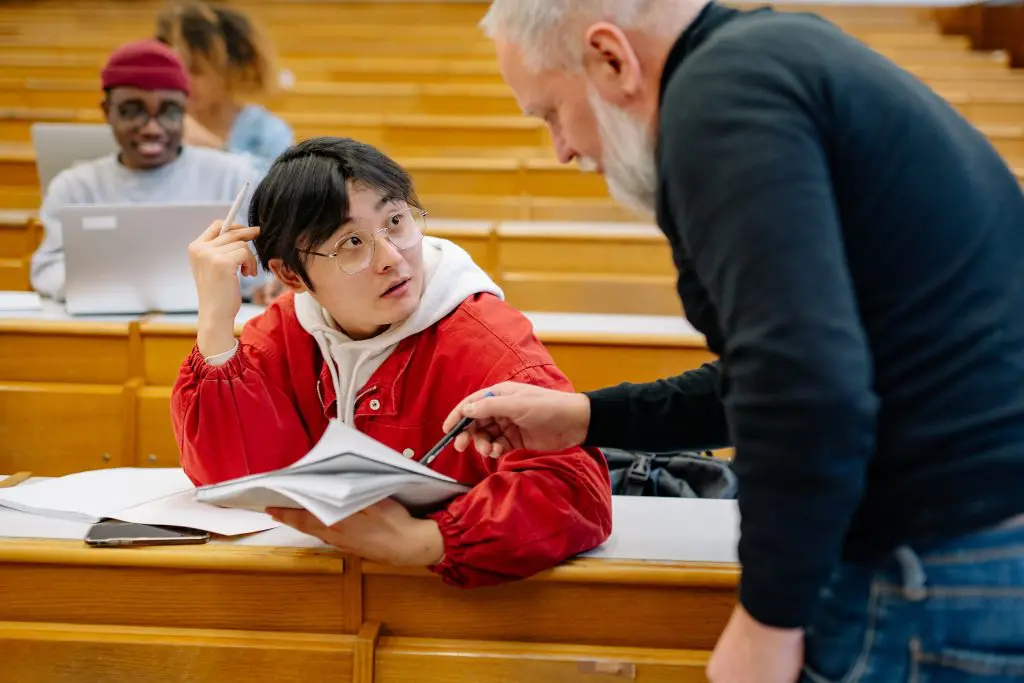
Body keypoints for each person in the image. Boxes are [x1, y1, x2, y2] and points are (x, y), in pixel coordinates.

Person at [444, 1, 1024, 680]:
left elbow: (801, 384)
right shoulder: (767, 59)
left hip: (937, 556)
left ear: (611, 58)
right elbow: (786, 367)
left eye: (550, 112)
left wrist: (767, 617)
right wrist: (588, 418)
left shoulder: (718, 105)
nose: (563, 148)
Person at [171, 136, 612, 586]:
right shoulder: (287, 330)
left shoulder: (482, 338)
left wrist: (428, 540)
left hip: (455, 601)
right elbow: (229, 479)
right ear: (290, 274)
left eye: (396, 221)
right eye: (352, 243)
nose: (392, 258)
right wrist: (215, 324)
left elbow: (574, 489)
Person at [30, 38, 271, 303]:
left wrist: (263, 286)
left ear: (185, 112)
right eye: (133, 112)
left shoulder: (235, 177)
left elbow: (263, 268)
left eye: (169, 112)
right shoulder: (74, 187)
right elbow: (47, 269)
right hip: (109, 328)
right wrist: (110, 292)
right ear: (107, 111)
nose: (152, 129)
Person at [156, 1, 294, 172]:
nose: (184, 80)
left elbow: (279, 187)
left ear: (230, 70)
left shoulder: (267, 131)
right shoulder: (157, 123)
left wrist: (216, 148)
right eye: (177, 67)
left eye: (196, 70)